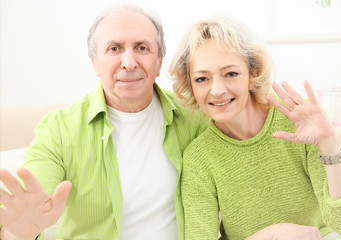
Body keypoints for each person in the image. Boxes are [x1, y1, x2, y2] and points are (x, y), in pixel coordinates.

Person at [0, 4, 207, 240]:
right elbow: (27, 210)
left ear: (159, 62)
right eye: (114, 48)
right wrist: (21, 232)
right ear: (95, 62)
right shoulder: (59, 129)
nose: (129, 63)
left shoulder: (194, 115)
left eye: (142, 47)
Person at [169, 15, 341, 240]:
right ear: (190, 85)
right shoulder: (198, 158)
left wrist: (330, 144)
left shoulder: (298, 121)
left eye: (230, 74)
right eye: (202, 79)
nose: (217, 90)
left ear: (253, 73)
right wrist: (271, 234)